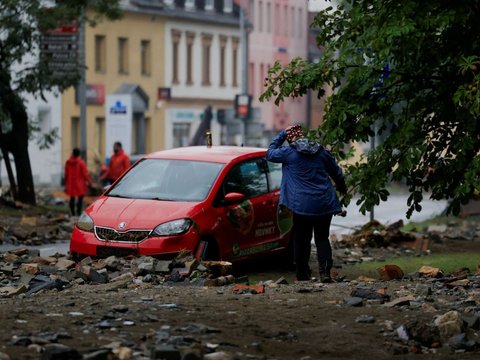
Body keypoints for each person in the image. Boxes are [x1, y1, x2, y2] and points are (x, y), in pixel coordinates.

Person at [266, 125, 347, 283]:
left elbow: (269, 153)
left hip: (301, 205)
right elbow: (337, 172)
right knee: (322, 237)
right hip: (324, 202)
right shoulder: (322, 152)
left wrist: (282, 134)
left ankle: (302, 273)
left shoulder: (289, 153)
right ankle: (324, 273)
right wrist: (342, 189)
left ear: (291, 139)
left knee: (301, 239)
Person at [65, 148, 93, 217]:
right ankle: (78, 213)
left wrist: (66, 183)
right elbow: (85, 174)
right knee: (80, 199)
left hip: (71, 184)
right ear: (79, 154)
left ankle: (73, 214)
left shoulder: (68, 162)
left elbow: (66, 174)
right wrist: (90, 182)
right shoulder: (81, 162)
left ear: (72, 153)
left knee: (72, 198)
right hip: (79, 184)